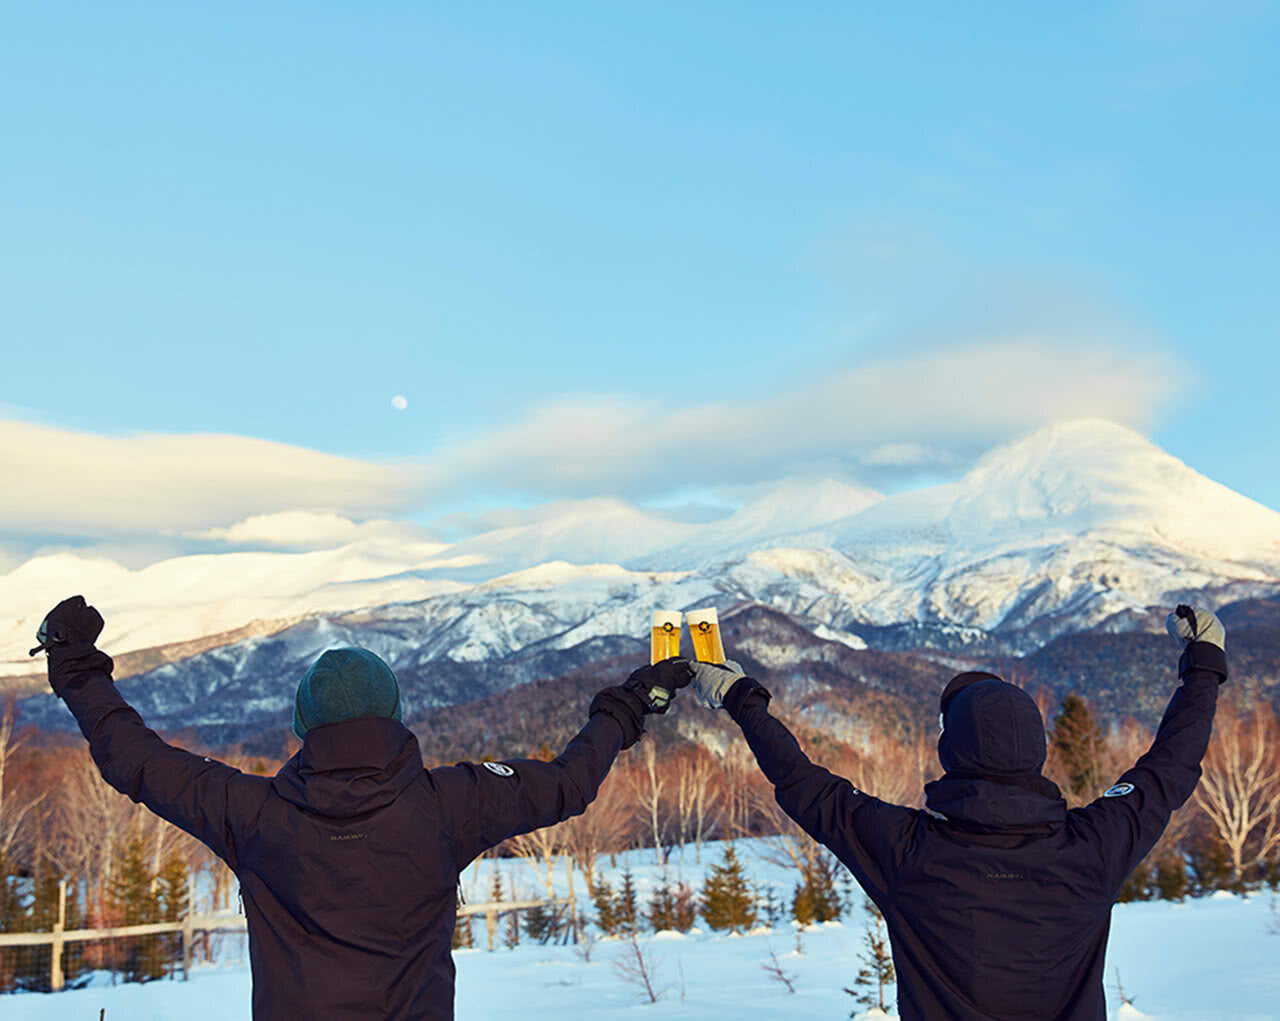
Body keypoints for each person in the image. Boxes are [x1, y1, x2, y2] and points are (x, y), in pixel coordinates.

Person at [30, 594, 693, 1021]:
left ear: (303, 724)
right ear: (395, 716)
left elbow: (135, 758)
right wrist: (629, 703)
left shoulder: (250, 813)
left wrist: (76, 665)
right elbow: (569, 783)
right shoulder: (452, 803)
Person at [689, 604, 1227, 1021]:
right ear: (1035, 751)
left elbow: (806, 784)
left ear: (953, 754)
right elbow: (1169, 768)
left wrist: (742, 699)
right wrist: (1203, 666)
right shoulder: (1095, 847)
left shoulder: (908, 852)